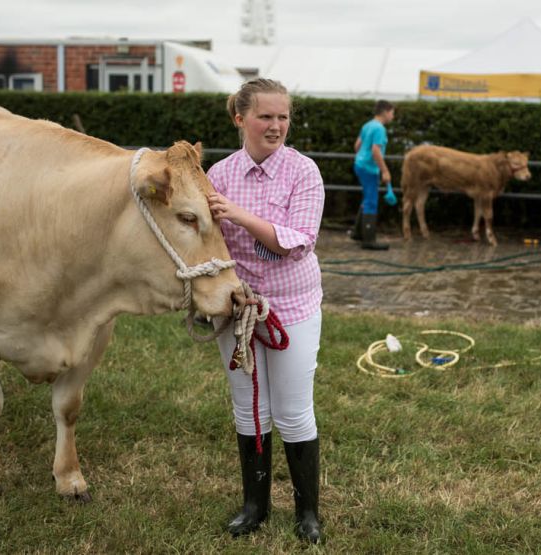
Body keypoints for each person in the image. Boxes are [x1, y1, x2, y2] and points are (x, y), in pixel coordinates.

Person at [206, 78, 325, 544]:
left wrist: (239, 215)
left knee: (294, 412)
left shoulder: (304, 172)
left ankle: (307, 512)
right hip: (237, 311)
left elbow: (297, 243)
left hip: (292, 305)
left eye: (283, 117)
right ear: (240, 118)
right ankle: (254, 506)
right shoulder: (217, 175)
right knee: (249, 409)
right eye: (265, 117)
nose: (276, 126)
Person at [352, 99, 396, 250]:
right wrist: (385, 171)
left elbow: (357, 146)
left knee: (367, 197)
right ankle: (369, 240)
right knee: (371, 200)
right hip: (370, 169)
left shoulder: (367, 125)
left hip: (359, 165)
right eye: (392, 112)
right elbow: (375, 151)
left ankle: (357, 233)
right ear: (385, 112)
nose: (393, 116)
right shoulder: (379, 129)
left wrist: (361, 158)